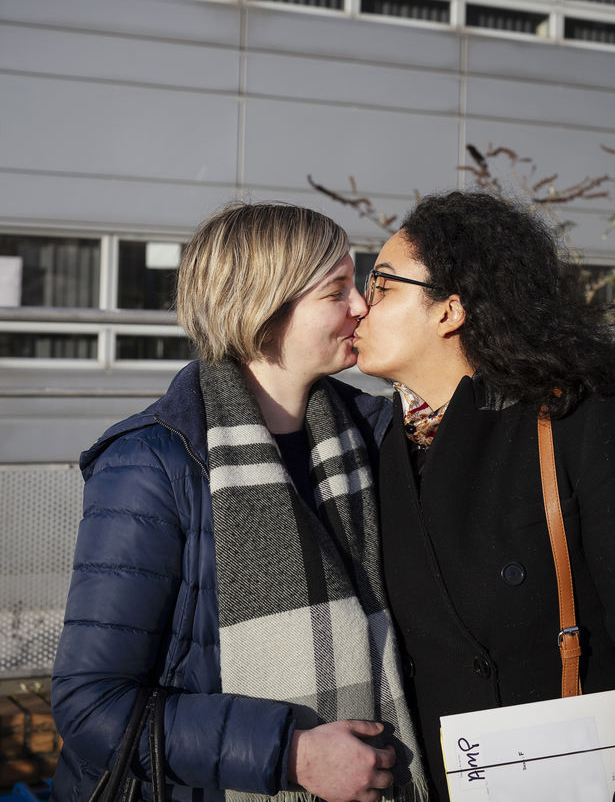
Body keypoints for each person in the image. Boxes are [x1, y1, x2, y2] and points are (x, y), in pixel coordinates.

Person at [51, 202, 427, 802]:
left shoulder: (375, 436)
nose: (361, 306)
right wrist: (292, 753)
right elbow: (92, 703)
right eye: (336, 291)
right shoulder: (152, 461)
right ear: (264, 309)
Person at [352, 190, 615, 802]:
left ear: (450, 310)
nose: (360, 305)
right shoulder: (374, 444)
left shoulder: (579, 421)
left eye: (381, 285)